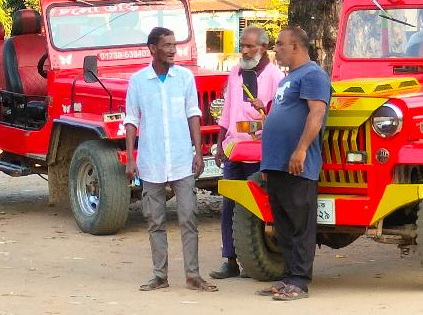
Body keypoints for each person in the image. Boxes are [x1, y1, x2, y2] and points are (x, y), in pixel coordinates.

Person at [123, 27, 217, 293]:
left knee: (189, 217)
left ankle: (193, 275)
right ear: (152, 49)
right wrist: (131, 158)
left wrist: (198, 152)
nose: (173, 50)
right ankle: (159, 275)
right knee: (155, 222)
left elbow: (193, 115)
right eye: (167, 45)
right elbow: (131, 120)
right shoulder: (139, 81)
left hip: (181, 159)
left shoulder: (184, 78)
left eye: (174, 45)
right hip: (151, 161)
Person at [255, 26, 330, 301]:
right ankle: (287, 278)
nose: (276, 49)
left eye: (280, 44)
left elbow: (317, 113)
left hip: (298, 164)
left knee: (300, 225)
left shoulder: (313, 75)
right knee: (283, 225)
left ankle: (299, 281)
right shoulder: (289, 78)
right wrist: (267, 163)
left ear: (296, 46)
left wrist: (300, 150)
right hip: (277, 164)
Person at [210, 26, 283, 280]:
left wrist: (264, 110)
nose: (245, 50)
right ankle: (230, 260)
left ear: (263, 48)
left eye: (250, 46)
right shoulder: (236, 72)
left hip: (260, 152)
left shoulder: (274, 77)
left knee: (256, 210)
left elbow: (278, 116)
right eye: (243, 45)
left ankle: (256, 260)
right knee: (229, 206)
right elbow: (228, 110)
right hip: (235, 148)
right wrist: (220, 143)